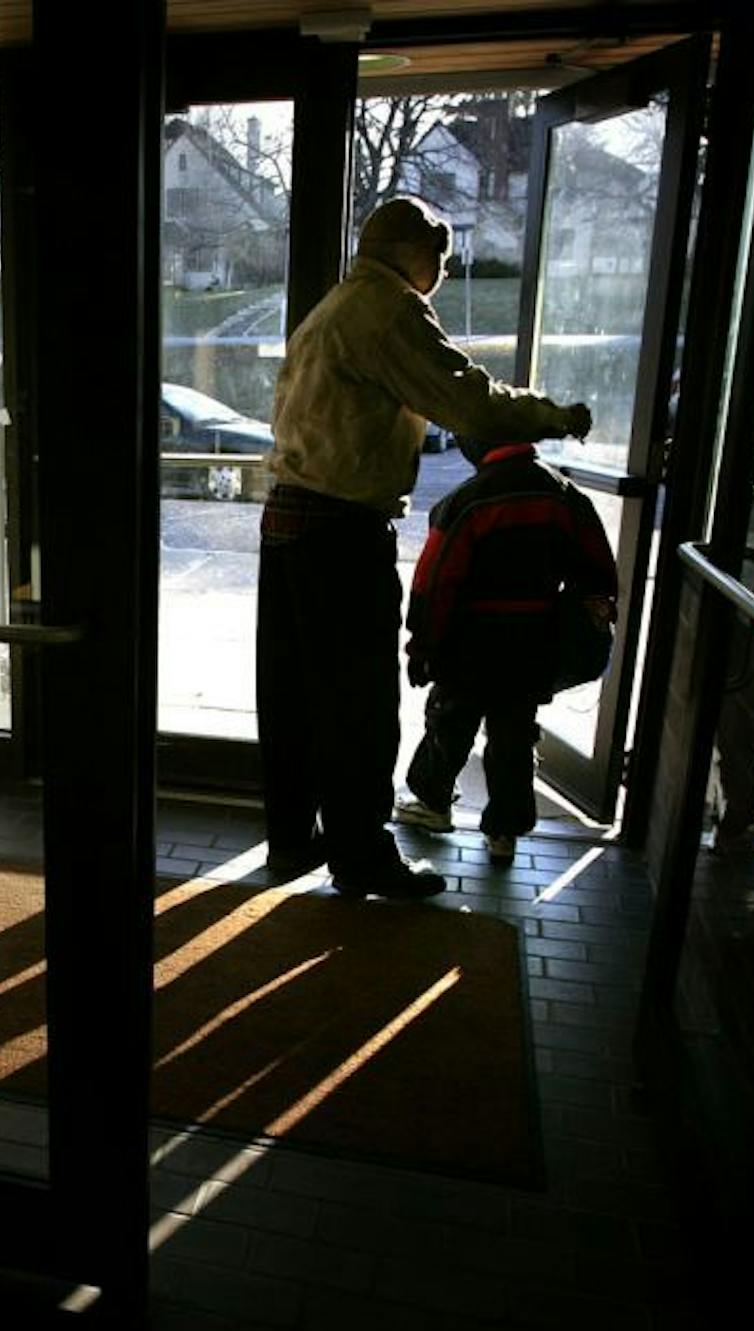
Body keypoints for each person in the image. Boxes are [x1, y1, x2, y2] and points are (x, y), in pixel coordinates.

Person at [258, 195, 592, 898]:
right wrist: (554, 417)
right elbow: (469, 401)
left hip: (287, 520)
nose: (442, 270)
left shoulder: (332, 309)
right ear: (415, 252)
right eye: (439, 256)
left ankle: (292, 837)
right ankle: (361, 856)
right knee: (359, 702)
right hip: (340, 529)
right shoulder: (391, 310)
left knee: (293, 696)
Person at [397, 433, 619, 863]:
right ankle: (504, 831)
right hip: (535, 638)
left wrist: (423, 643)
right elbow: (597, 569)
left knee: (451, 721)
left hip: (471, 641)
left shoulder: (467, 501)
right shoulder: (563, 495)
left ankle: (433, 803)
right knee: (514, 732)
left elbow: (435, 581)